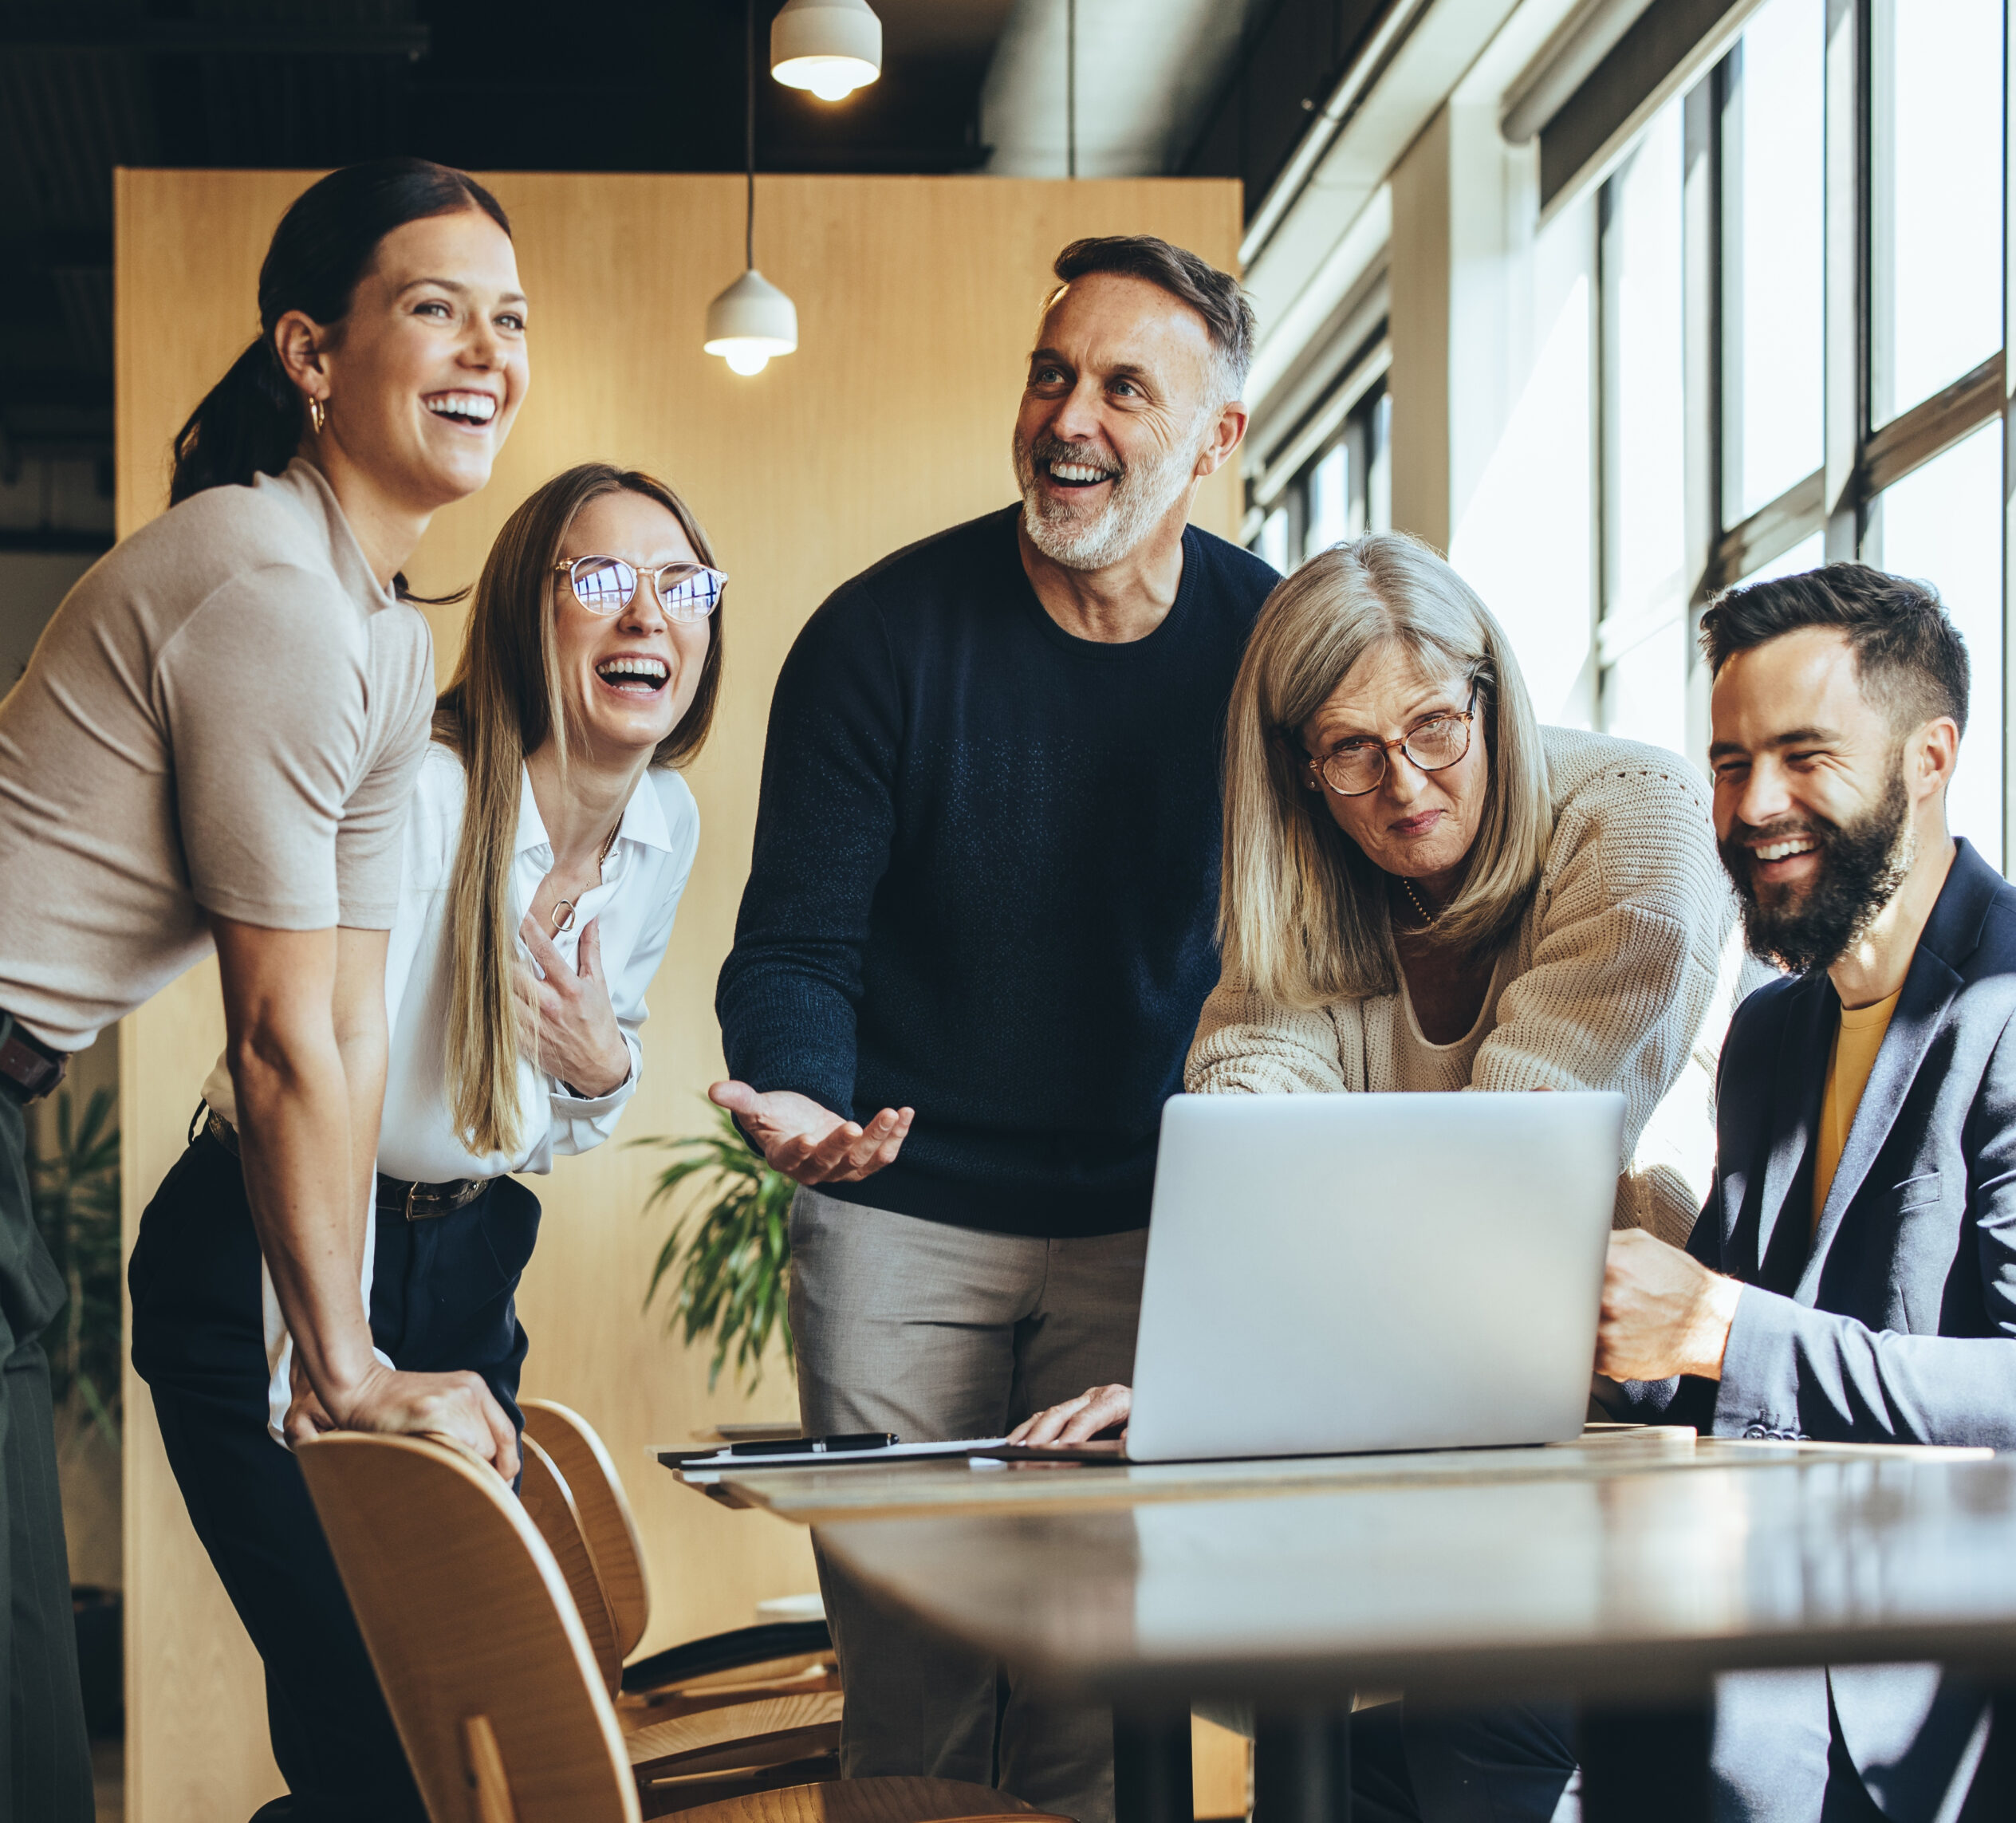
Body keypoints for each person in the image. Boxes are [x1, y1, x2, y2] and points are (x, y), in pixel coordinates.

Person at [711, 234, 1276, 1823]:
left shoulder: (1270, 650)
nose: (1068, 418)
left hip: (1148, 1224)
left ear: (1214, 441)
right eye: (1048, 373)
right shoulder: (876, 638)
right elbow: (795, 944)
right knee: (914, 1687)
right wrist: (805, 1101)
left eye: (1119, 385)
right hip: (903, 1220)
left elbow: (1317, 955)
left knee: (1097, 1695)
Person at [0, 156, 524, 1823]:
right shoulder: (264, 587)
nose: (485, 355)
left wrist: (339, 1349)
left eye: (507, 320)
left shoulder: (376, 637)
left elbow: (351, 1014)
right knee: (21, 1684)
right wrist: (346, 1365)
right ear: (311, 353)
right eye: (433, 309)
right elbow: (278, 1032)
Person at [1353, 564, 2016, 1821]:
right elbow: (1689, 1362)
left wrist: (1724, 1322)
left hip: (1923, 1666)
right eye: (1730, 763)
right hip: (1754, 1588)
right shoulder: (1779, 1030)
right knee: (1410, 1731)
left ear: (1931, 757)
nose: (1755, 805)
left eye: (1803, 755)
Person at [130, 463, 720, 1819]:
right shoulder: (430, 796)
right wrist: (322, 1363)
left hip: (464, 1269)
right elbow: (314, 1080)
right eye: (599, 578)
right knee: (373, 1720)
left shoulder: (662, 827)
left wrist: (603, 1060)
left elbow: (564, 1117)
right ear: (529, 610)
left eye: (682, 582)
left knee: (470, 1719)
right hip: (271, 1252)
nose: (649, 613)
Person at [1010, 532, 1738, 1451]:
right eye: (1351, 749)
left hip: (1656, 1394)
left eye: (1434, 725)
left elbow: (1511, 1177)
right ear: (1300, 771)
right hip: (1411, 1373)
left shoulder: (1638, 818)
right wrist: (1200, 1386)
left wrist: (1238, 1382)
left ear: (1491, 696)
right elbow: (1254, 1155)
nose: (1404, 785)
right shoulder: (1308, 881)